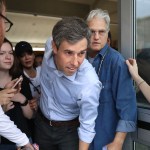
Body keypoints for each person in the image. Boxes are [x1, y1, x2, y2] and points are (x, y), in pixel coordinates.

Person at [34, 17, 101, 150]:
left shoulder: (90, 83)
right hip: (41, 125)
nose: (75, 63)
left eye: (81, 53)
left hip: (68, 133)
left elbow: (87, 125)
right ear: (54, 47)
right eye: (69, 53)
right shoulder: (49, 44)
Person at [86, 9, 137, 150]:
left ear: (107, 33)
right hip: (79, 138)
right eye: (92, 31)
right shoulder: (79, 59)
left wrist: (118, 142)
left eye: (101, 32)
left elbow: (127, 106)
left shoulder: (116, 61)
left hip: (104, 140)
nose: (96, 37)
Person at [0, 0, 34, 149]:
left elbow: (30, 116)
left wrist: (22, 99)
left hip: (24, 137)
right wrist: (2, 107)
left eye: (10, 53)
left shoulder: (20, 80)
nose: (7, 57)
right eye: (1, 53)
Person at [15, 41, 40, 141]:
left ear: (33, 55)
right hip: (30, 123)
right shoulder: (18, 79)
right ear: (18, 59)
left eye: (29, 53)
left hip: (47, 120)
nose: (27, 58)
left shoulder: (43, 71)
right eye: (22, 55)